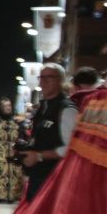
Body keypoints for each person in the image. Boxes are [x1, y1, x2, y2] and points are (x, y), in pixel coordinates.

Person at [20, 64, 78, 202]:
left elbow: (71, 147)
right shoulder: (44, 106)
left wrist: (39, 156)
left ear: (61, 80)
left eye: (49, 77)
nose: (43, 81)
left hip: (54, 179)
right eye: (41, 77)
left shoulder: (67, 109)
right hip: (37, 177)